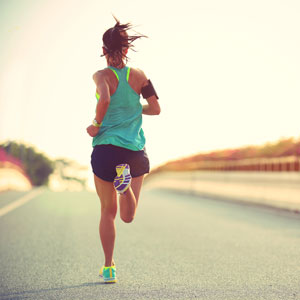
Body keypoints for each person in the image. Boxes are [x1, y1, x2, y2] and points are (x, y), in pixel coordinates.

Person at [86, 17, 160, 283]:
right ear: (127, 49)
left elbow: (104, 98)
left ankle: (108, 268)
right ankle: (124, 186)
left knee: (108, 212)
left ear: (103, 50)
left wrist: (96, 124)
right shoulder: (140, 76)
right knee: (128, 216)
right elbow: (156, 108)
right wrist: (135, 108)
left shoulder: (101, 75)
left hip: (106, 150)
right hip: (133, 152)